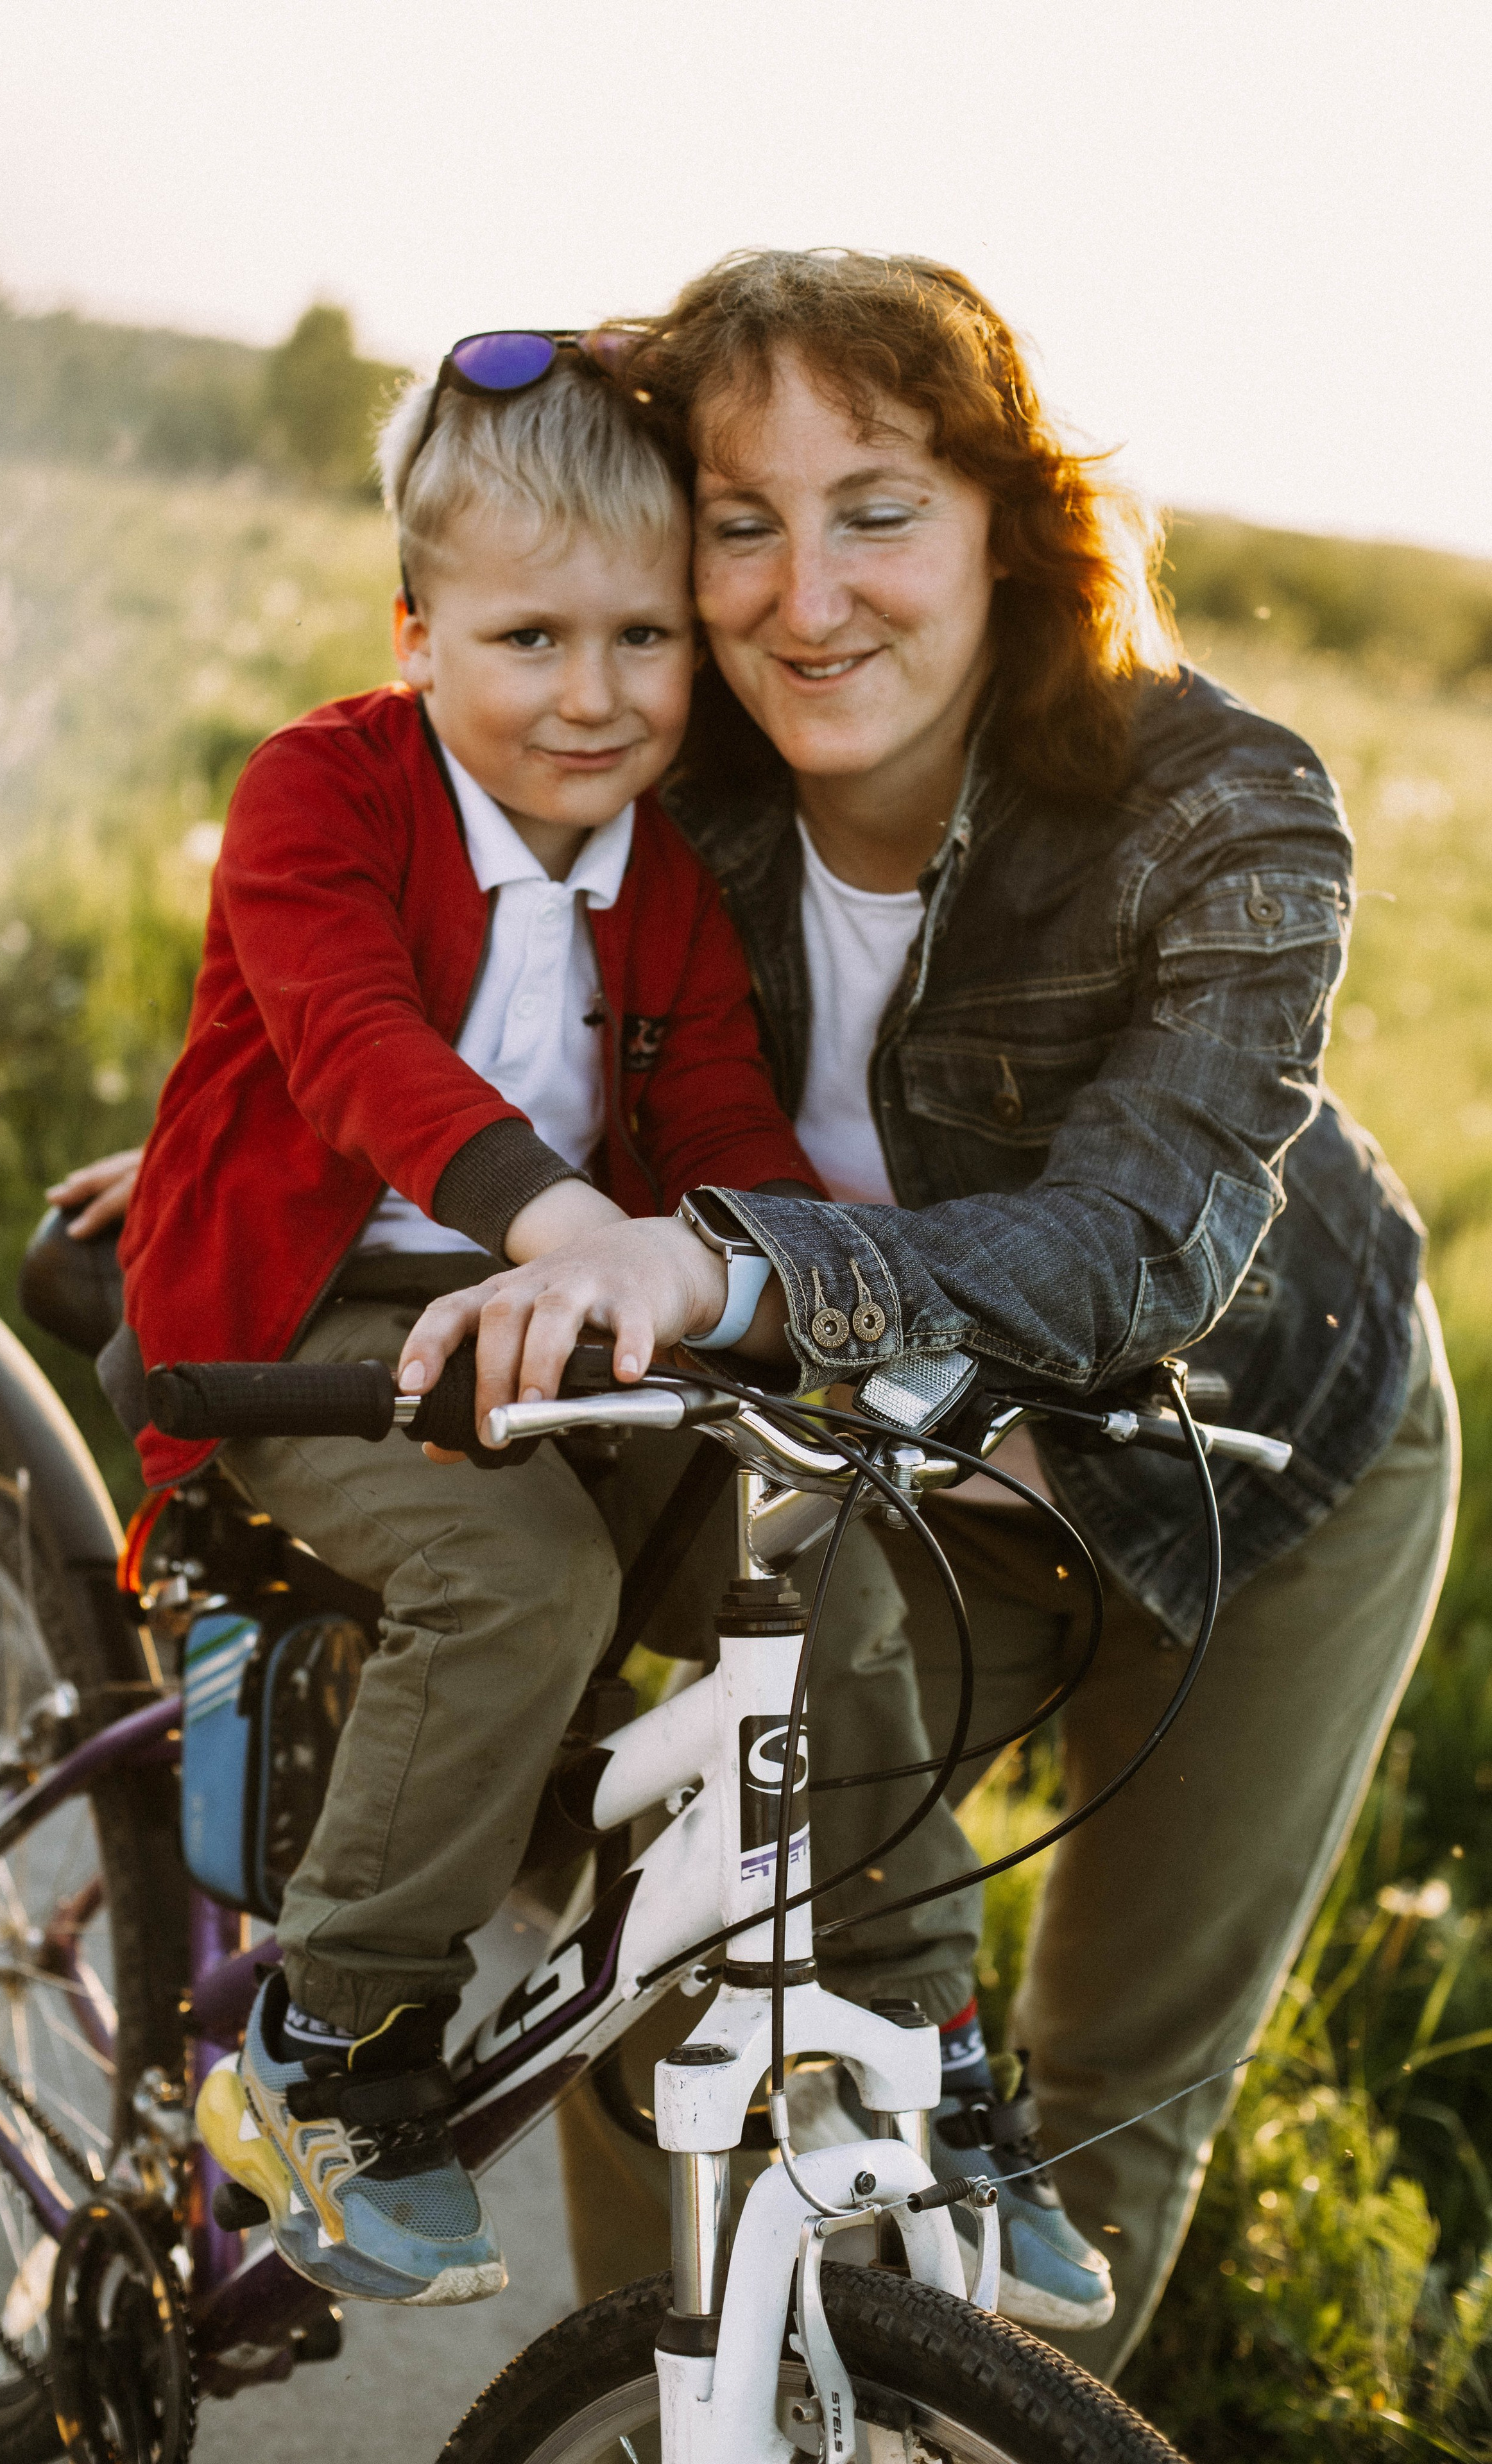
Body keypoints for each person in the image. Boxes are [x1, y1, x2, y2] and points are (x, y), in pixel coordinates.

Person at [394, 250, 1459, 2379]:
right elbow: (437, 973)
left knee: (1062, 2154)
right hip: (879, 1475)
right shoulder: (651, 776)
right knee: (684, 1974)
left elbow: (1132, 1257)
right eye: (737, 518)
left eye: (875, 507)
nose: (808, 599)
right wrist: (313, 1162)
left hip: (1250, 1473)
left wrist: (739, 1265)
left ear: (1008, 526)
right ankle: (654, 2407)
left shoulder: (1221, 809)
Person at [106, 345, 835, 2310]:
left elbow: (729, 1131)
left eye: (643, 638)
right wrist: (571, 1217)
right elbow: (354, 1048)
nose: (593, 695)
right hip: (296, 1311)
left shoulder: (657, 869)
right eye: (529, 637)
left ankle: (893, 2011)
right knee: (521, 1582)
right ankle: (325, 2045)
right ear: (416, 632)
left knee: (833, 1511)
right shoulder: (319, 788)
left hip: (547, 1302)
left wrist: (842, 1297)